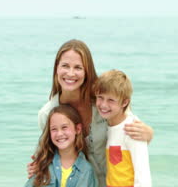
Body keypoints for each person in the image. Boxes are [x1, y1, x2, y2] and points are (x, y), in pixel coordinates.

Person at [27, 39, 153, 186]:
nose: (71, 73)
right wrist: (39, 166)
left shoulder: (104, 102)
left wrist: (149, 133)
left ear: (87, 71)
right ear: (56, 68)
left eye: (78, 67)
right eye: (65, 66)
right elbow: (52, 152)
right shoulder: (47, 114)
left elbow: (129, 130)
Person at [94, 70, 151, 187]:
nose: (103, 105)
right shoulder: (108, 124)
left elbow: (143, 178)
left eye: (111, 100)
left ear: (125, 102)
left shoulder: (133, 130)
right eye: (100, 97)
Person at [24, 105, 98, 187]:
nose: (59, 134)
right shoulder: (43, 165)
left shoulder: (85, 170)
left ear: (77, 129)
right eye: (54, 129)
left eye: (64, 127)